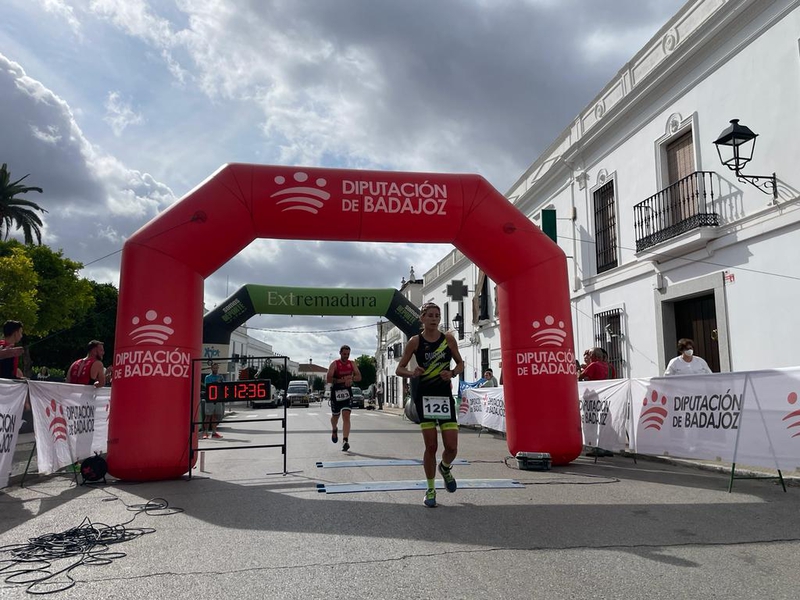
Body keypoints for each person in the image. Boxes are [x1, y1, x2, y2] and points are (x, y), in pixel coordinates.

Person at [396, 301, 465, 508]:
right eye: (430, 315)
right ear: (422, 318)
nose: (434, 319)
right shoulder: (415, 342)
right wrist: (412, 373)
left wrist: (452, 373)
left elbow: (461, 363)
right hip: (425, 398)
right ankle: (431, 488)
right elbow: (399, 369)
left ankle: (445, 467)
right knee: (431, 446)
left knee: (452, 447)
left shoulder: (449, 340)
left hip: (444, 397)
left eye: (437, 316)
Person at [326, 345, 362, 452]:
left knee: (346, 416)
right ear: (340, 353)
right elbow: (328, 379)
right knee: (335, 418)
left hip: (347, 393)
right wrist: (342, 380)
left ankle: (345, 440)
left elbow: (359, 377)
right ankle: (334, 428)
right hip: (336, 393)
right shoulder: (335, 364)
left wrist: (351, 378)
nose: (346, 356)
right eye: (344, 354)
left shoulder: (352, 364)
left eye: (348, 354)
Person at [203, 363, 225, 439]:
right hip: (210, 398)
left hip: (218, 398)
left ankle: (214, 432)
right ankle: (205, 432)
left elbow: (223, 387)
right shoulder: (207, 377)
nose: (215, 369)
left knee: (215, 416)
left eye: (216, 368)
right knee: (208, 416)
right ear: (211, 368)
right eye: (214, 368)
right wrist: (216, 382)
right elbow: (208, 386)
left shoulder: (221, 377)